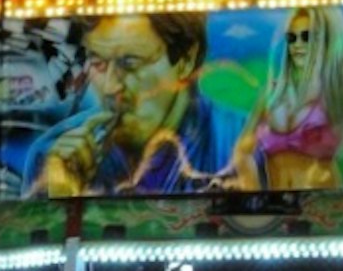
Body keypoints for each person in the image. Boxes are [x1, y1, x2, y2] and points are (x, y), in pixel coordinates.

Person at [28, 17, 217, 196]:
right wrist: (60, 195)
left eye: (130, 64)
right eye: (97, 63)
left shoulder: (235, 143)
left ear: (186, 59)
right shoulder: (50, 155)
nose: (110, 87)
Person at [225, 9, 343, 191]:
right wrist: (253, 191)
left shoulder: (342, 93)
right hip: (280, 209)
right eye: (292, 37)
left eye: (306, 37)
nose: (297, 45)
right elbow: (242, 150)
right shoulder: (273, 94)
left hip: (326, 210)